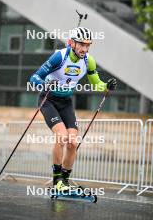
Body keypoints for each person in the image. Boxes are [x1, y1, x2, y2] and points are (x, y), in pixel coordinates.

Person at [30, 27, 117, 192]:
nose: (85, 49)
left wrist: (106, 86)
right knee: (62, 137)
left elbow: (96, 82)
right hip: (48, 99)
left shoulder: (88, 61)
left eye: (88, 45)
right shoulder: (59, 57)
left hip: (66, 102)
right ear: (72, 43)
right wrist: (44, 84)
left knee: (72, 143)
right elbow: (34, 78)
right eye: (82, 44)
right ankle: (56, 182)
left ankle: (64, 181)